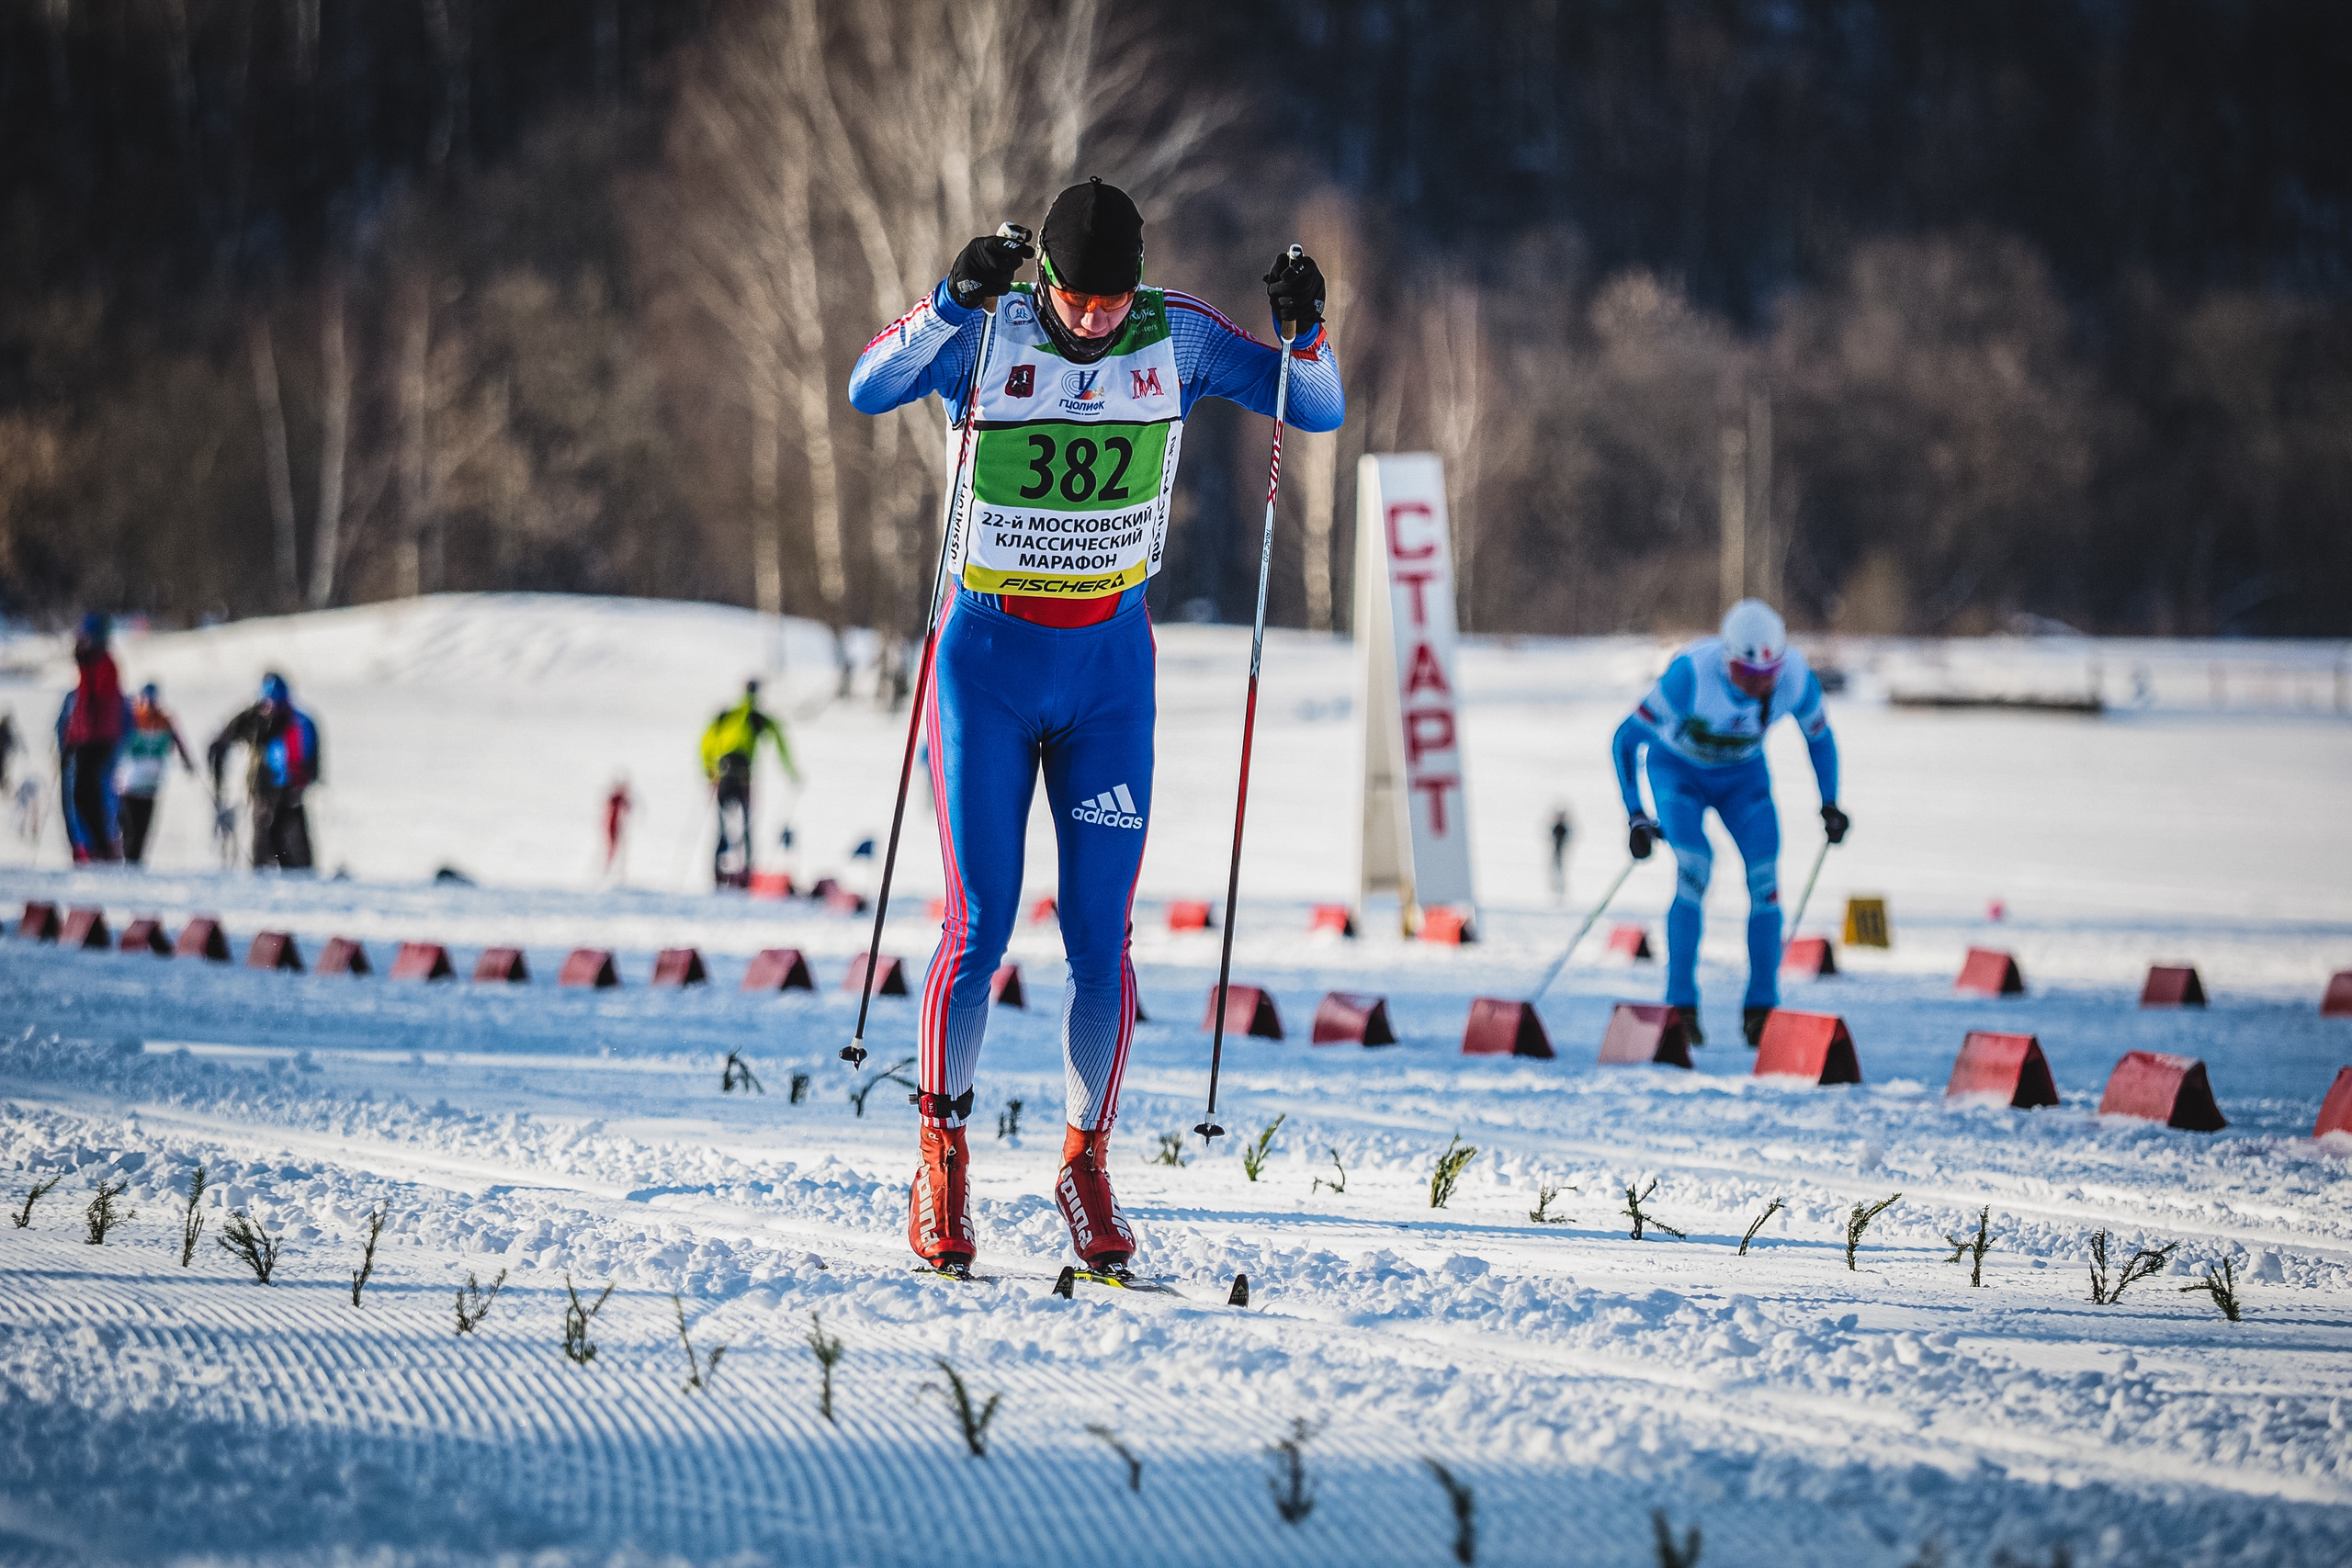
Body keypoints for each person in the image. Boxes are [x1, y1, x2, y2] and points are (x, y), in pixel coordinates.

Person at [847, 176, 1342, 1277]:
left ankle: (1083, 1162)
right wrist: (947, 301)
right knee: (977, 927)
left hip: (1110, 669)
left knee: (1101, 939)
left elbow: (1314, 410)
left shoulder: (1178, 335)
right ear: (1048, 281)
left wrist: (1307, 333)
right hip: (986, 658)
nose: (1096, 321)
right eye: (1079, 302)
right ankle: (940, 1153)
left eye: (1114, 303)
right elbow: (866, 388)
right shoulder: (992, 330)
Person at [1611, 599, 1846, 1048]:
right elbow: (1626, 740)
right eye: (1746, 677)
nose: (1759, 688)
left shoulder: (1795, 676)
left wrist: (1830, 802)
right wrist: (1635, 814)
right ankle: (1681, 1005)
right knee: (1696, 867)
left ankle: (1761, 1008)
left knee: (1765, 880)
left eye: (1767, 678)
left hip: (1743, 780)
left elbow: (1820, 738)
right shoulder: (1690, 677)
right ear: (1727, 661)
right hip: (1678, 774)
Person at [208, 672, 322, 871]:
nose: (270, 708)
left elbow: (313, 757)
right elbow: (221, 742)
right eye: (267, 702)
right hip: (262, 791)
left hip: (291, 794)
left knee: (296, 853)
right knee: (263, 845)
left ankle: (301, 883)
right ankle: (263, 881)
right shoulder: (252, 718)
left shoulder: (300, 722)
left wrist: (305, 783)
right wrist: (218, 779)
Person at [698, 679, 797, 889]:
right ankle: (747, 873)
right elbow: (781, 742)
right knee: (746, 827)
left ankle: (716, 874)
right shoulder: (757, 717)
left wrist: (709, 771)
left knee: (722, 827)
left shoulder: (726, 715)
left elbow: (705, 743)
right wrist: (791, 773)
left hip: (723, 776)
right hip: (743, 777)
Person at [61, 613, 130, 863]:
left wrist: (79, 737)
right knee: (81, 793)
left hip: (98, 738)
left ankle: (103, 845)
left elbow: (95, 702)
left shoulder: (104, 664)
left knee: (88, 791)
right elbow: (80, 708)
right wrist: (71, 737)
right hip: (87, 738)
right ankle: (95, 844)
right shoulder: (91, 665)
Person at [117, 682, 198, 864]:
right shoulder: (131, 719)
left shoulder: (164, 721)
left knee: (143, 830)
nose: (150, 707)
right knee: (128, 829)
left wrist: (188, 762)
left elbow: (178, 741)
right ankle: (126, 863)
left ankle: (135, 866)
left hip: (151, 786)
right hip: (127, 785)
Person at [1548, 806, 1575, 904]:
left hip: (1562, 855)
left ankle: (1561, 891)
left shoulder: (1563, 828)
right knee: (1555, 872)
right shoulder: (1557, 827)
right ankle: (1555, 891)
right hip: (1555, 854)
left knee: (1561, 872)